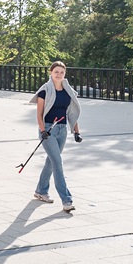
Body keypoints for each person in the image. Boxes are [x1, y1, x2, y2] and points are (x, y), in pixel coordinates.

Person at [31, 61, 83, 213]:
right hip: (48, 130)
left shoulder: (68, 91)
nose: (59, 74)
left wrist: (77, 132)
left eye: (62, 72)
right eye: (56, 72)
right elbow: (39, 114)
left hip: (62, 130)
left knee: (51, 161)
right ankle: (67, 200)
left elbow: (71, 114)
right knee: (58, 163)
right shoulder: (45, 91)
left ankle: (41, 191)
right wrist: (43, 131)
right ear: (51, 73)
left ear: (64, 74)